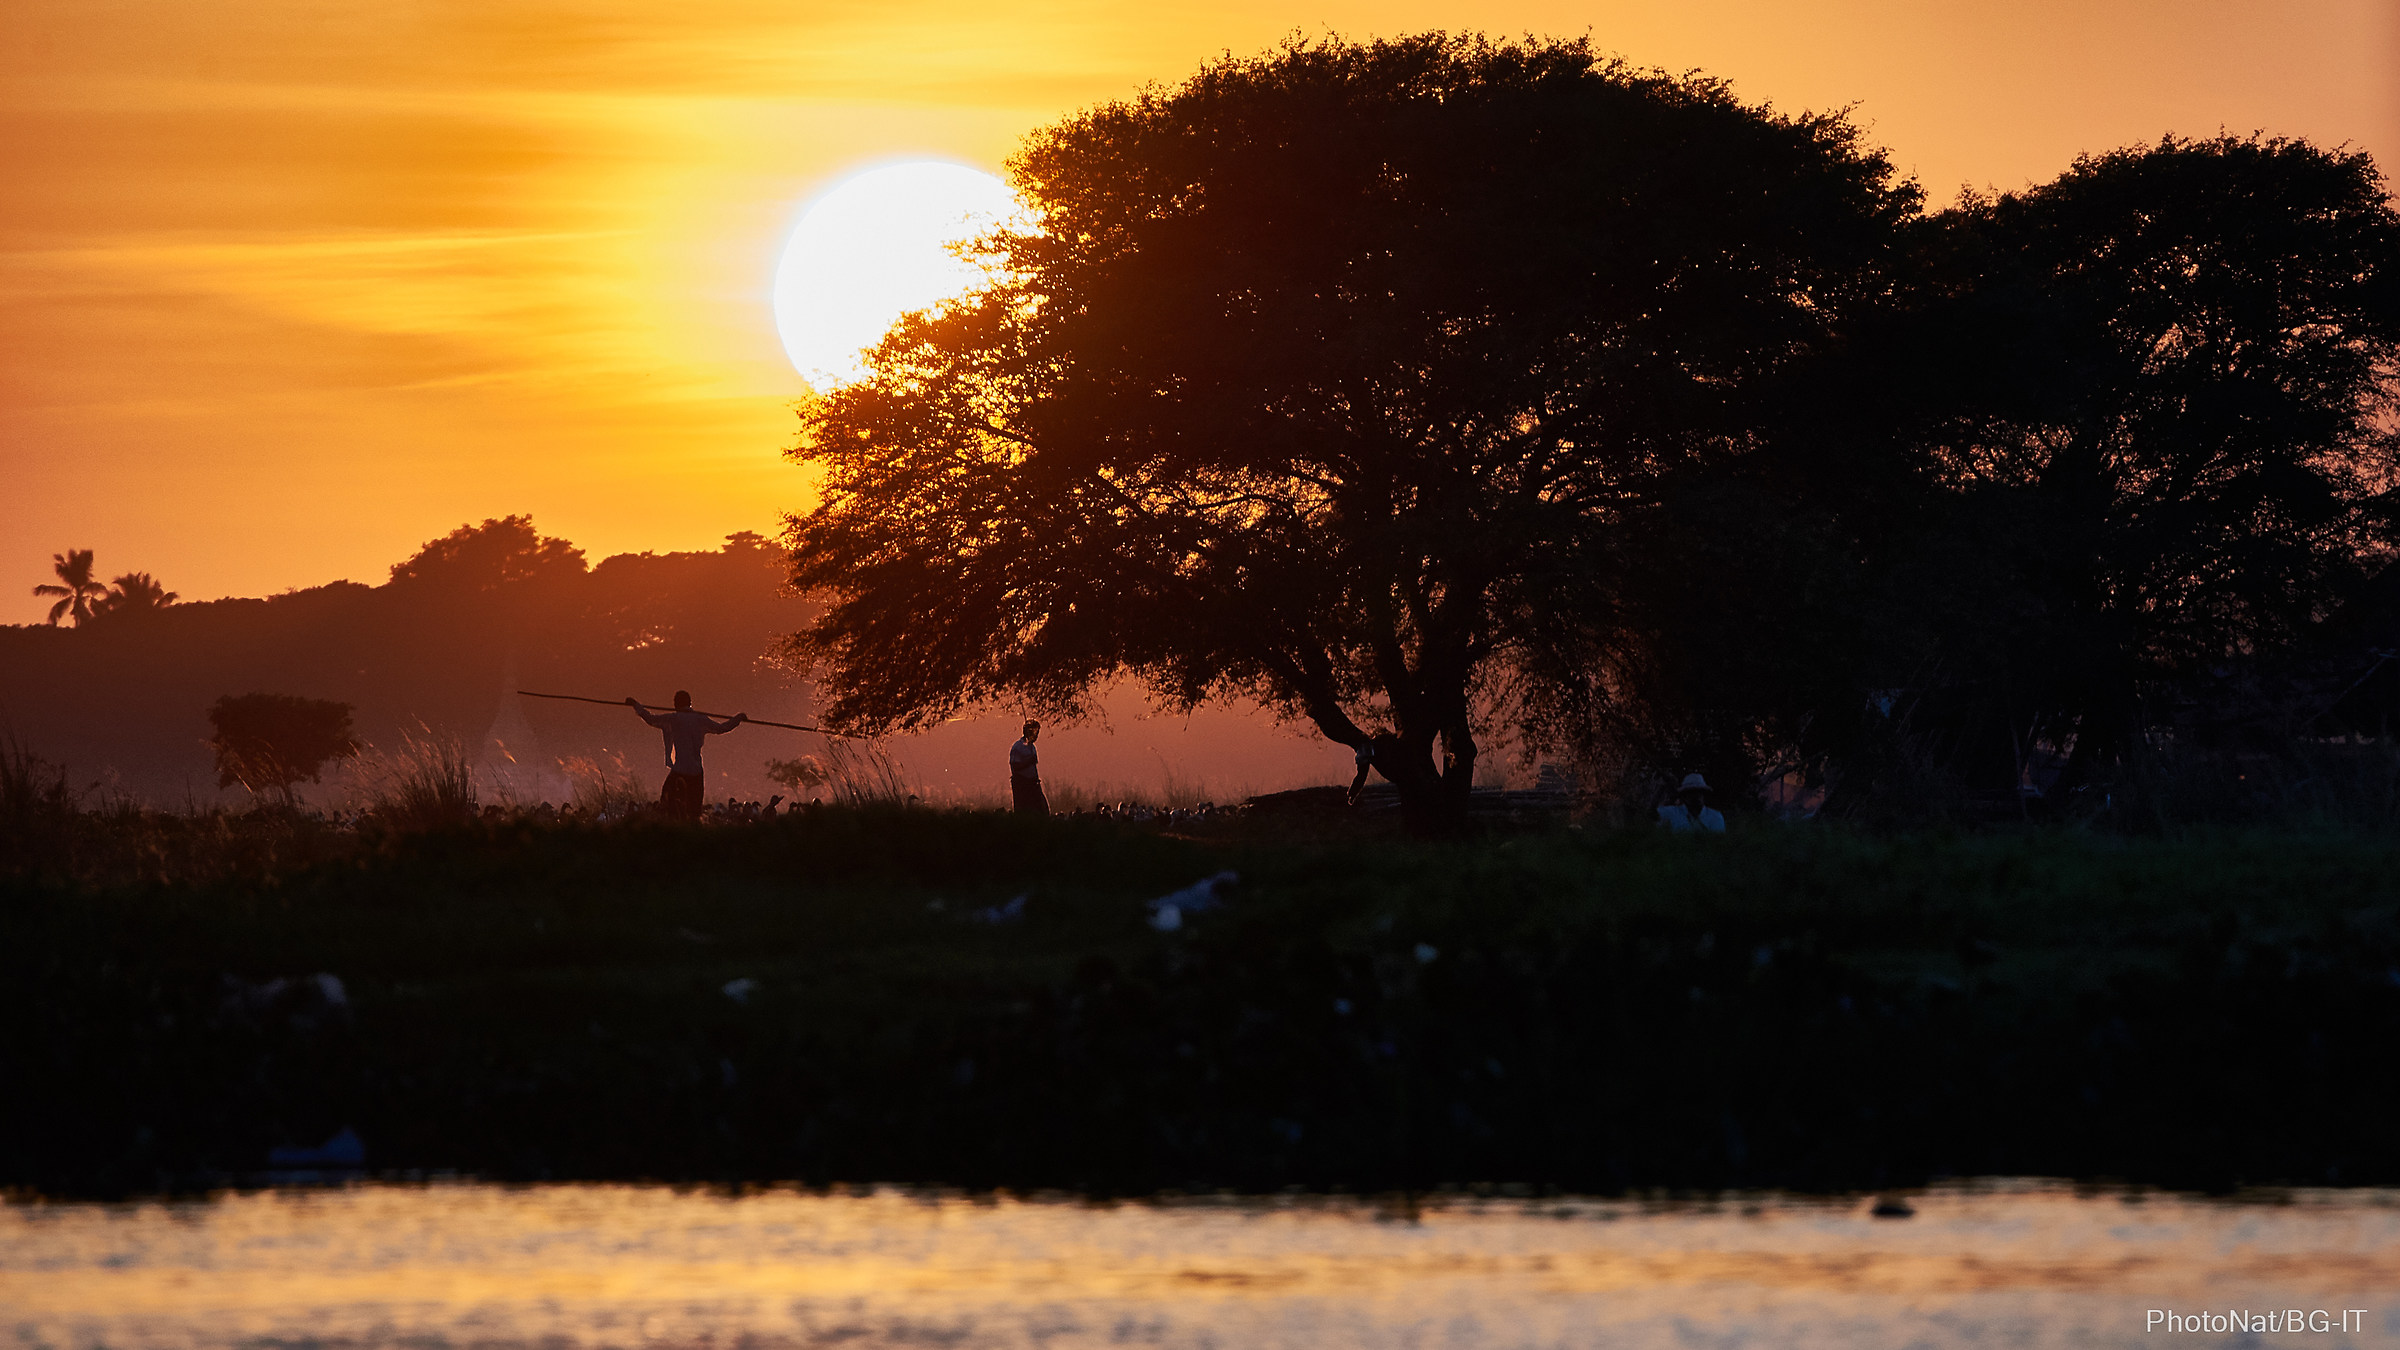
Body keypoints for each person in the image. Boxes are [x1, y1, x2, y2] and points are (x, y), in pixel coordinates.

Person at [627, 691, 746, 821]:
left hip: (680, 770)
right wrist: (738, 718)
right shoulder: (700, 719)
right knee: (694, 812)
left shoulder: (674, 718)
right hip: (696, 771)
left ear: (676, 704)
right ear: (690, 703)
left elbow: (650, 719)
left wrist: (635, 705)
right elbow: (722, 728)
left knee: (666, 804)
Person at [1658, 772, 1726, 833]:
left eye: (1699, 792)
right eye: (1691, 792)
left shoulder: (1715, 817)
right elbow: (1651, 816)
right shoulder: (1670, 813)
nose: (1695, 796)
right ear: (1684, 796)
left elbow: (1717, 843)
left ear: (1704, 794)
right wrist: (1662, 787)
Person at [1009, 719, 1048, 815]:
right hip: (1022, 785)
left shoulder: (1032, 747)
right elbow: (1014, 766)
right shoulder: (1018, 747)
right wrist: (1029, 761)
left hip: (1033, 784)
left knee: (1043, 811)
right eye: (1035, 732)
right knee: (1024, 812)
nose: (1036, 735)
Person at [1346, 737, 1376, 806]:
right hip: (1364, 759)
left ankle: (1352, 794)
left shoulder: (1363, 743)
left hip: (1363, 758)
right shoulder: (1365, 743)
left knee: (1361, 777)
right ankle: (1352, 794)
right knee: (1361, 777)